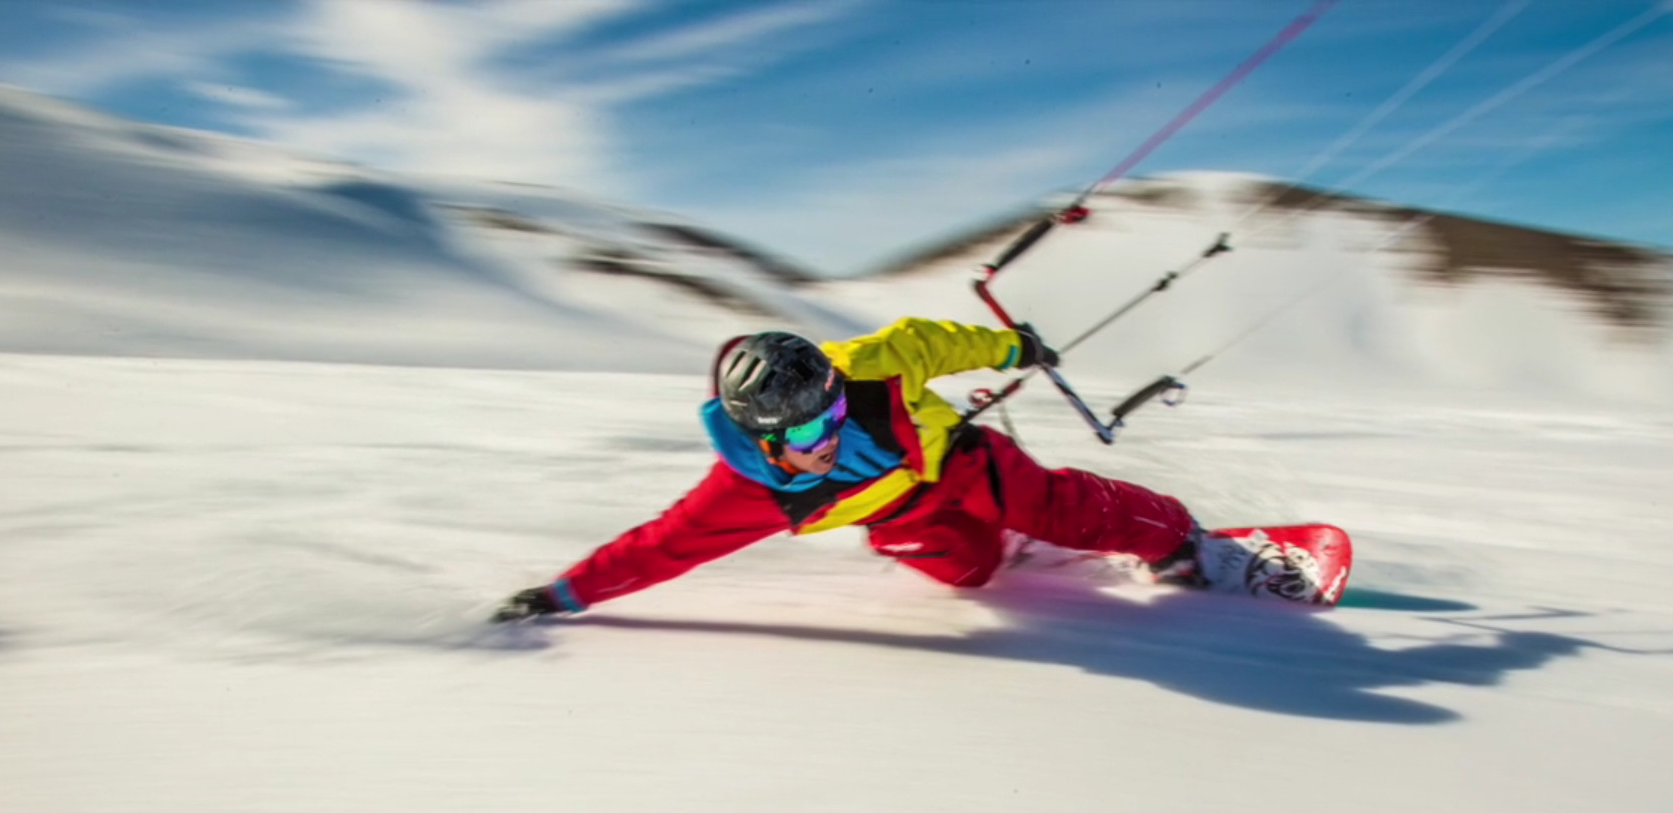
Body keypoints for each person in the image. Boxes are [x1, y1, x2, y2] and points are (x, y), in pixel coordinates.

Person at [492, 317, 1279, 623]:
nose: (825, 436)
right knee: (972, 573)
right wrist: (559, 595)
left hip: (957, 461)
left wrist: (1015, 350)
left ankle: (1181, 542)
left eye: (831, 412)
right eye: (803, 432)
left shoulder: (866, 367)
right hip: (898, 518)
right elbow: (659, 547)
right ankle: (1011, 548)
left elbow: (932, 342)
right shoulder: (743, 493)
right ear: (763, 441)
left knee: (1047, 504)